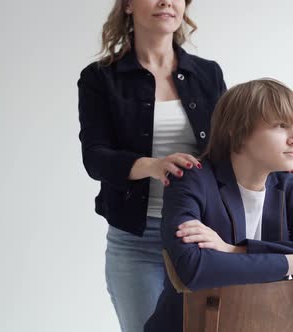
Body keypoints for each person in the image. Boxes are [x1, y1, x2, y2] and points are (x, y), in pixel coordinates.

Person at [145, 78, 293, 332]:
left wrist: (236, 251)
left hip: (264, 323)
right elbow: (192, 269)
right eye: (281, 126)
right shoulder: (192, 179)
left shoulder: (286, 186)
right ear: (237, 130)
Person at [76, 0, 226, 331]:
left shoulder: (208, 74)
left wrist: (274, 173)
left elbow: (228, 151)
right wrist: (153, 166)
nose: (166, 2)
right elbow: (95, 158)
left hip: (199, 235)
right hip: (135, 242)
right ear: (127, 5)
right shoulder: (100, 79)